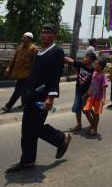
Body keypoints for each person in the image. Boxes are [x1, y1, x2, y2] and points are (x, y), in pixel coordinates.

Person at [5, 24, 71, 173]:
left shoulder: (57, 51)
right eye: (42, 32)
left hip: (42, 96)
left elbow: (55, 77)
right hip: (31, 95)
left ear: (55, 35)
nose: (44, 35)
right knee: (27, 129)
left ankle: (62, 138)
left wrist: (51, 97)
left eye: (48, 32)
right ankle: (27, 160)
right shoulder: (40, 52)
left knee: (35, 126)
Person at [1, 32, 38, 113]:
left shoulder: (34, 49)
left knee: (18, 91)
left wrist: (34, 75)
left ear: (29, 39)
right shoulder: (19, 48)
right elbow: (13, 59)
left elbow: (35, 63)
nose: (22, 39)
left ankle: (8, 106)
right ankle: (24, 104)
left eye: (24, 37)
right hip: (18, 73)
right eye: (22, 37)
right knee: (23, 91)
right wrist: (8, 68)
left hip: (27, 74)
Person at [65, 52, 95, 132]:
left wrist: (86, 94)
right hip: (78, 91)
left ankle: (93, 126)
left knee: (86, 110)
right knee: (77, 108)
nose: (84, 58)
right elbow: (70, 60)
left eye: (86, 57)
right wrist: (60, 55)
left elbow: (92, 84)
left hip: (86, 94)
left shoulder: (93, 70)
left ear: (91, 61)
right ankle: (79, 125)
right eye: (85, 57)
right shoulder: (81, 64)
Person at [83, 59, 107, 136]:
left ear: (100, 66)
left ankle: (94, 129)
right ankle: (93, 126)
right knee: (86, 110)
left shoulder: (103, 76)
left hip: (99, 98)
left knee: (96, 114)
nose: (94, 65)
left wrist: (103, 98)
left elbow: (104, 88)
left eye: (96, 64)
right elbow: (91, 85)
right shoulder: (94, 73)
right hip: (91, 96)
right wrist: (86, 94)